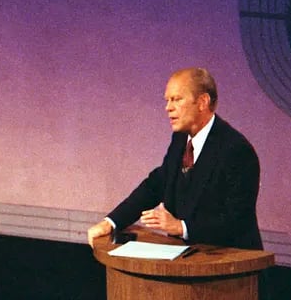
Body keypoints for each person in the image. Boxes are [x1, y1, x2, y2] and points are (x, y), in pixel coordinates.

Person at [87, 67, 263, 250]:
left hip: (233, 265)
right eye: (167, 100)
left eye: (177, 99)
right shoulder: (180, 139)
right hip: (186, 261)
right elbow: (157, 184)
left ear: (203, 102)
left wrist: (181, 227)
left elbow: (236, 220)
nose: (168, 107)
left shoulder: (236, 150)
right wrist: (111, 222)